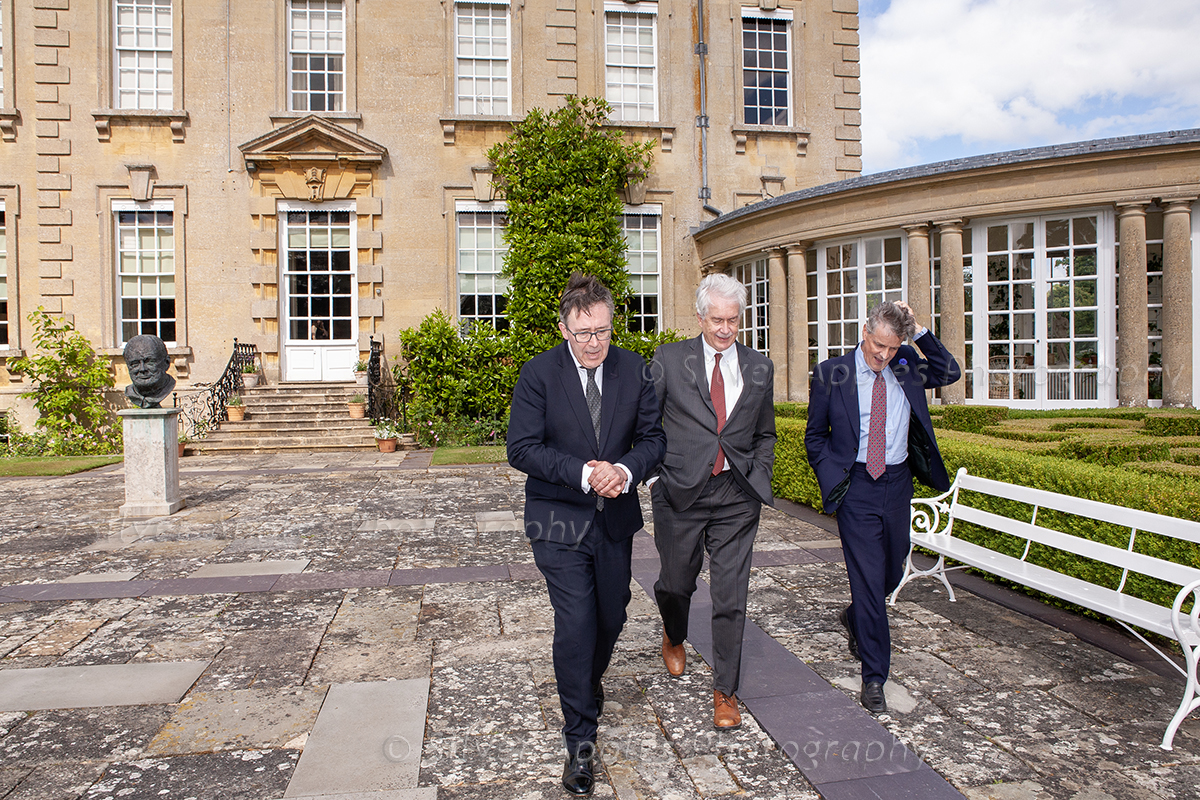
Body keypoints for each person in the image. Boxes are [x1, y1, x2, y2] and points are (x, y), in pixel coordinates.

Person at [507, 272, 665, 796]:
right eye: (583, 333)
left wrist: (624, 470)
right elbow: (522, 449)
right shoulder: (537, 375)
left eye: (602, 330)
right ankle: (580, 741)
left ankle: (584, 682)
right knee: (576, 620)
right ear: (564, 328)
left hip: (614, 518)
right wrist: (583, 472)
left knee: (612, 613)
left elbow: (653, 440)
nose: (594, 343)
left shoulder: (635, 371)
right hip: (557, 517)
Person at [804, 300, 961, 714]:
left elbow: (949, 372)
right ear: (864, 331)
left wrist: (919, 331)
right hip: (856, 486)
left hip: (897, 483)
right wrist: (831, 477)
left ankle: (857, 618)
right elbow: (815, 436)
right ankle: (875, 675)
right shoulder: (831, 373)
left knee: (892, 570)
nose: (883, 356)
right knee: (869, 580)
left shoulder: (907, 364)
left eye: (892, 348)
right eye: (878, 347)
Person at [647, 273, 776, 730]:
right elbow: (649, 425)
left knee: (731, 596)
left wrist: (760, 473)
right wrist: (653, 476)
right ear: (700, 317)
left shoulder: (760, 366)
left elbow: (765, 432)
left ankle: (726, 691)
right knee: (676, 583)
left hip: (736, 496)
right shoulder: (667, 359)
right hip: (680, 493)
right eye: (717, 319)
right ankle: (673, 631)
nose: (725, 328)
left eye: (733, 320)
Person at [123, 334, 176, 408]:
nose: (142, 369)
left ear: (166, 363)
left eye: (149, 362)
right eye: (135, 364)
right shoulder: (130, 392)